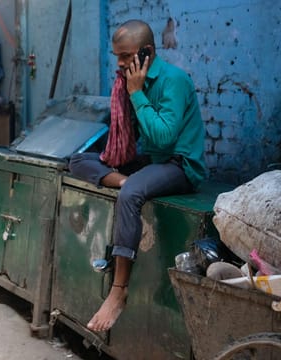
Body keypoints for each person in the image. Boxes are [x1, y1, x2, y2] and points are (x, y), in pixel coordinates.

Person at [68, 19, 207, 332]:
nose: (119, 64)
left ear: (147, 52)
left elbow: (162, 139)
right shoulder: (127, 79)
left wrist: (136, 93)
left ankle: (118, 291)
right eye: (116, 56)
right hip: (150, 163)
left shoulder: (174, 80)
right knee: (78, 160)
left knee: (130, 196)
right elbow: (129, 139)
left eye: (126, 56)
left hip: (179, 165)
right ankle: (128, 181)